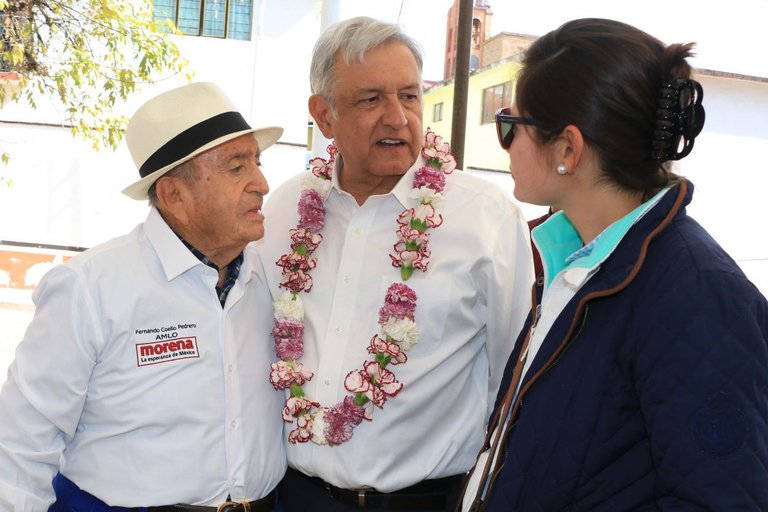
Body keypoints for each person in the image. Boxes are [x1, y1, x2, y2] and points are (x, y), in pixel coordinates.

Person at [460, 18, 768, 511]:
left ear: (568, 149)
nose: (507, 144)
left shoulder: (697, 293)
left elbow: (720, 497)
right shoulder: (574, 258)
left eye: (509, 127)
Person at [254, 16, 534, 512]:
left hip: (427, 502)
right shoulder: (281, 213)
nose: (397, 117)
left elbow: (515, 379)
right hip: (293, 498)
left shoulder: (485, 217)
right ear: (324, 115)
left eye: (409, 96)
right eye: (370, 99)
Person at [0, 82, 286, 511]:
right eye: (236, 168)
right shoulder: (90, 288)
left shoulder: (273, 277)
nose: (262, 184)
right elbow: (21, 442)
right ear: (174, 195)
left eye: (257, 163)